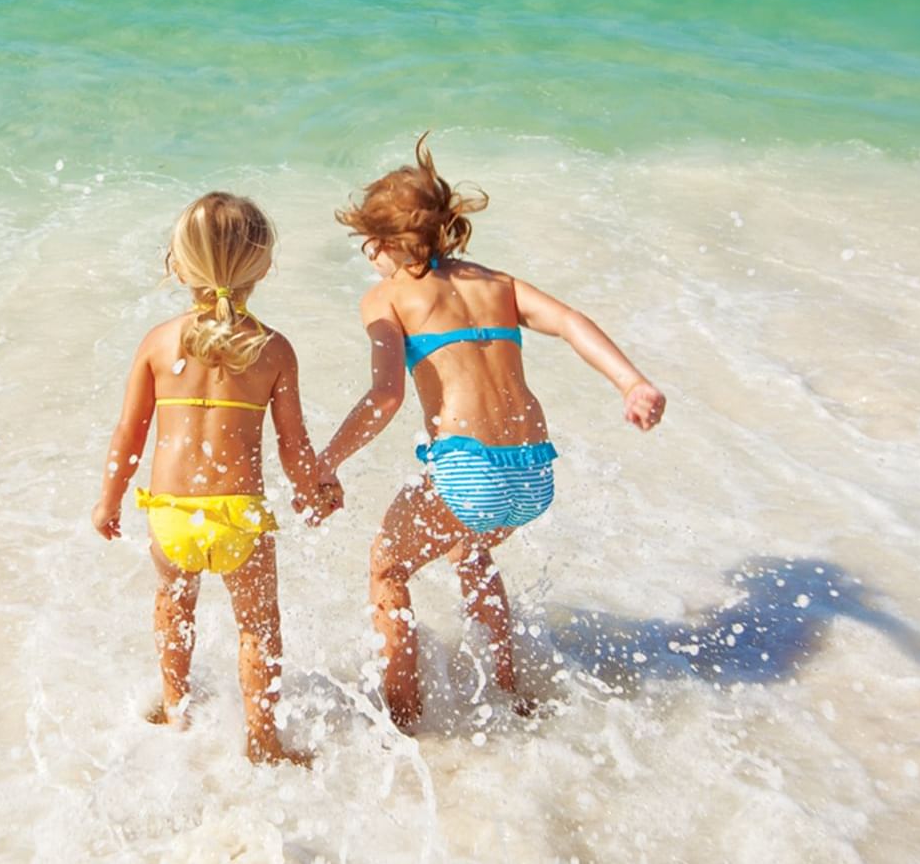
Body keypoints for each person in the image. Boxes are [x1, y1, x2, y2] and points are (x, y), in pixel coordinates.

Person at [317, 134, 666, 732]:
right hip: (532, 471)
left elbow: (386, 396)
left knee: (388, 567)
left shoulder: (387, 297)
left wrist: (327, 460)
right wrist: (632, 384)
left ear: (385, 244)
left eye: (368, 243)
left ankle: (403, 718)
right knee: (469, 550)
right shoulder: (498, 284)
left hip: (470, 471)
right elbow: (570, 322)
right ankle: (508, 690)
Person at [91, 191, 341, 764]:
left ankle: (177, 712)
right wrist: (313, 491)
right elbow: (293, 445)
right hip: (240, 520)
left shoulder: (158, 342)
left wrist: (108, 500)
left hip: (170, 515)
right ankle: (263, 742)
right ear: (264, 267)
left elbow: (128, 434)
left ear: (178, 265)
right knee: (257, 627)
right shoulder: (274, 350)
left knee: (174, 608)